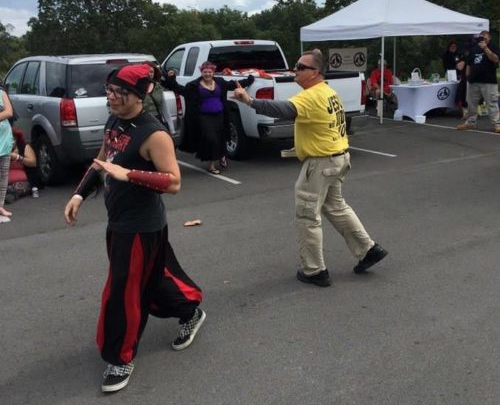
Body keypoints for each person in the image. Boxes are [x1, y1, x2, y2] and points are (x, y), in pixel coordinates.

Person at [64, 63, 205, 393]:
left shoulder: (153, 134)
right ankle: (190, 312)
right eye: (108, 91)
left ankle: (120, 356)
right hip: (121, 223)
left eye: (118, 93)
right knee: (151, 280)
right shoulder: (115, 119)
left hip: (140, 228)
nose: (110, 97)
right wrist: (78, 194)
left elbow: (173, 182)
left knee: (123, 294)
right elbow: (102, 159)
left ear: (139, 95)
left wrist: (130, 174)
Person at [233, 49, 388, 287]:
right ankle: (368, 250)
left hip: (321, 163)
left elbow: (283, 110)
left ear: (315, 72)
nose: (295, 69)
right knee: (336, 207)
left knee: (307, 216)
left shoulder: (311, 96)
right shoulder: (327, 91)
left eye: (300, 66)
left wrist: (249, 100)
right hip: (338, 157)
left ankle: (314, 270)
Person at [164, 61, 254, 174]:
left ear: (213, 72)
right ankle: (212, 165)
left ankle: (220, 157)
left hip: (220, 115)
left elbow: (234, 84)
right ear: (201, 72)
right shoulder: (194, 85)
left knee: (220, 137)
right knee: (210, 138)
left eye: (209, 72)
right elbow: (180, 89)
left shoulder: (220, 82)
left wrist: (250, 79)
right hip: (204, 116)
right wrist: (171, 79)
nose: (207, 74)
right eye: (205, 72)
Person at [457, 30, 499, 132]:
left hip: (488, 80)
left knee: (491, 103)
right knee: (471, 103)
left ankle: (496, 123)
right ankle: (470, 122)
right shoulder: (474, 49)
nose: (482, 40)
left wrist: (485, 48)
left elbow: (495, 59)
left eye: (485, 38)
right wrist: (467, 76)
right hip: (473, 80)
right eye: (481, 38)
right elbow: (469, 63)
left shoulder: (493, 47)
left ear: (489, 38)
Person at [6, 128, 43, 203]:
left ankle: (12, 195)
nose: (11, 142)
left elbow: (33, 163)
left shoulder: (24, 147)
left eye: (13, 139)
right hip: (6, 180)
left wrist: (18, 157)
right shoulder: (3, 149)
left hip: (24, 180)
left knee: (18, 187)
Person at [0, 85, 15, 223]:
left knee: (3, 175)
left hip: (4, 141)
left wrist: (3, 113)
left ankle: (0, 205)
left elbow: (9, 112)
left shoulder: (2, 93)